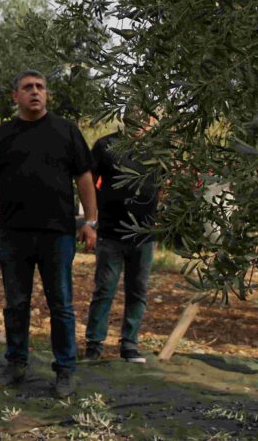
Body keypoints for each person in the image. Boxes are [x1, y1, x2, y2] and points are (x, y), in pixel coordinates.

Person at [0, 70, 97, 399]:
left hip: (57, 234)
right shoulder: (3, 135)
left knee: (62, 305)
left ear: (47, 94)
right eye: (27, 88)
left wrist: (91, 222)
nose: (35, 92)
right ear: (16, 96)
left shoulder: (66, 131)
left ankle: (66, 370)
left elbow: (85, 178)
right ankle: (15, 364)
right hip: (13, 235)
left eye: (40, 87)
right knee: (16, 304)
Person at [83, 123, 160, 363]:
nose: (141, 123)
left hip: (144, 235)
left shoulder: (158, 150)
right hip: (111, 233)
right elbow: (88, 182)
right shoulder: (106, 145)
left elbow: (168, 183)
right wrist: (90, 221)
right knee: (104, 290)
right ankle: (94, 346)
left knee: (137, 291)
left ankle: (129, 345)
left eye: (146, 118)